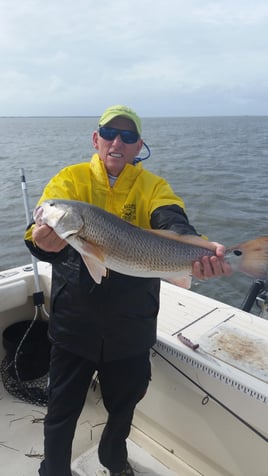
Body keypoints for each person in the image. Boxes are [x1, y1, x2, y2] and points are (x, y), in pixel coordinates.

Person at [25, 105, 232, 476]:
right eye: (109, 133)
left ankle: (113, 461)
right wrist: (42, 241)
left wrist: (202, 251)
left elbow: (173, 222)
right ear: (96, 139)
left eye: (129, 136)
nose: (117, 142)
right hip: (75, 323)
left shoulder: (154, 187)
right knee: (61, 408)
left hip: (132, 325)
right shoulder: (70, 181)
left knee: (124, 406)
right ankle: (53, 471)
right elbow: (39, 234)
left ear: (139, 146)